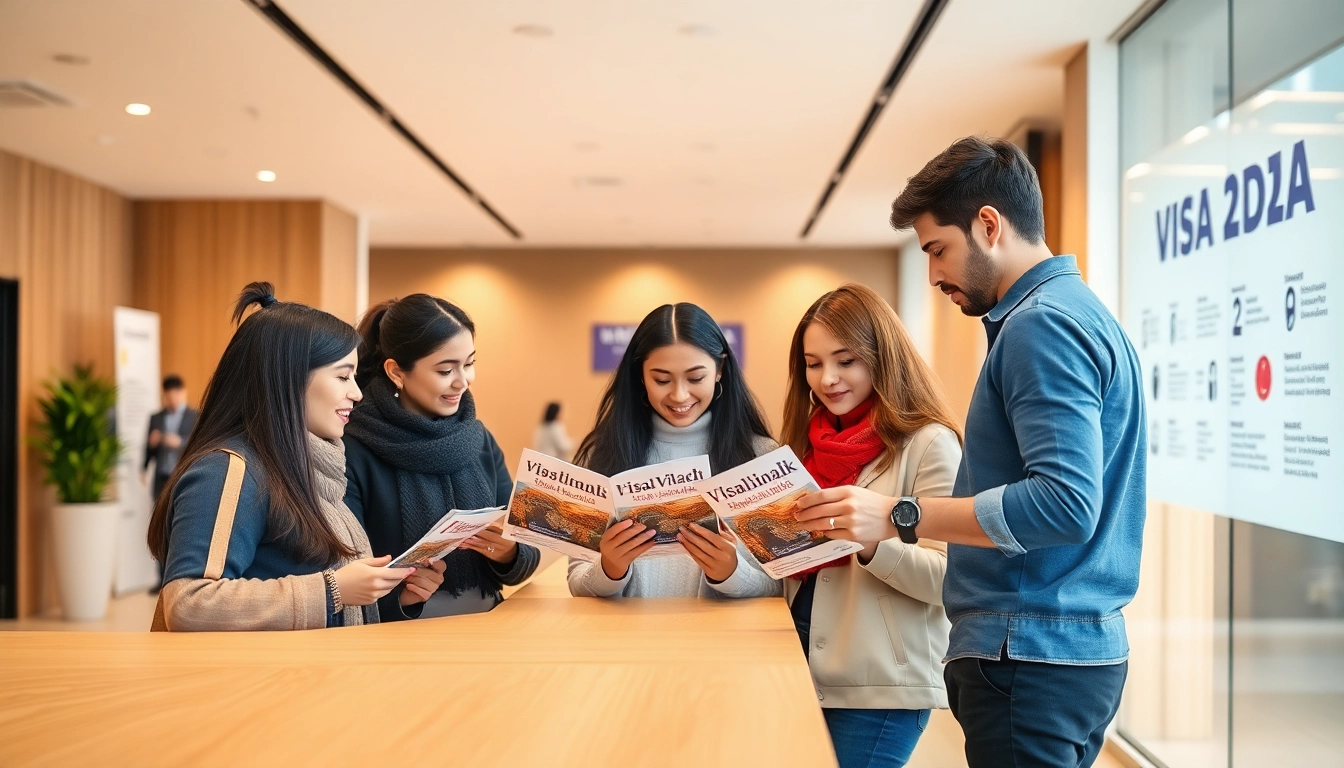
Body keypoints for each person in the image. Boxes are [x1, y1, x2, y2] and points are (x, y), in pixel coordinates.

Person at [798, 137, 1146, 767]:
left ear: (988, 225)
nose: (933, 275)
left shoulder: (1041, 325)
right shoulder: (1079, 313)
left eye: (938, 249)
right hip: (1059, 647)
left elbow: (1065, 505)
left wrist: (900, 516)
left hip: (1029, 652)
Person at [148, 283, 439, 631]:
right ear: (288, 380)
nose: (356, 393)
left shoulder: (307, 469)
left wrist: (397, 596)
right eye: (343, 376)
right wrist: (332, 590)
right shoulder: (228, 469)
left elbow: (304, 585)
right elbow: (189, 603)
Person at [780, 284, 962, 768]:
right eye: (813, 363)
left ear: (882, 358)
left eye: (846, 360)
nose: (828, 378)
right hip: (798, 660)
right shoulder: (804, 443)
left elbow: (953, 579)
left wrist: (870, 543)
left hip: (880, 685)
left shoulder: (928, 443)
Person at [344, 294, 541, 618]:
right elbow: (341, 581)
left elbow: (526, 554)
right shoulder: (354, 449)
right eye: (446, 369)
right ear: (396, 371)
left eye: (470, 363)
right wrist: (402, 597)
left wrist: (509, 552)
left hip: (489, 627)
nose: (463, 381)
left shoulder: (479, 440)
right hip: (400, 640)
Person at [568, 303, 778, 598]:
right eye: (661, 380)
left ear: (720, 370)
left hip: (727, 642)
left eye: (695, 378)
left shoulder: (762, 456)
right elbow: (577, 581)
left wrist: (731, 573)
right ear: (640, 376)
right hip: (625, 641)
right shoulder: (603, 454)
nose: (680, 395)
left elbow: (783, 585)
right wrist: (609, 568)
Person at [144, 374, 199, 592]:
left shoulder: (195, 416)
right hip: (161, 477)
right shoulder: (156, 418)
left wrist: (179, 442)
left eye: (175, 393)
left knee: (180, 526)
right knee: (159, 527)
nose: (172, 398)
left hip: (183, 476)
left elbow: (198, 443)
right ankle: (161, 578)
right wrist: (146, 458)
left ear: (182, 392)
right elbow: (147, 449)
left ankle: (179, 578)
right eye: (168, 395)